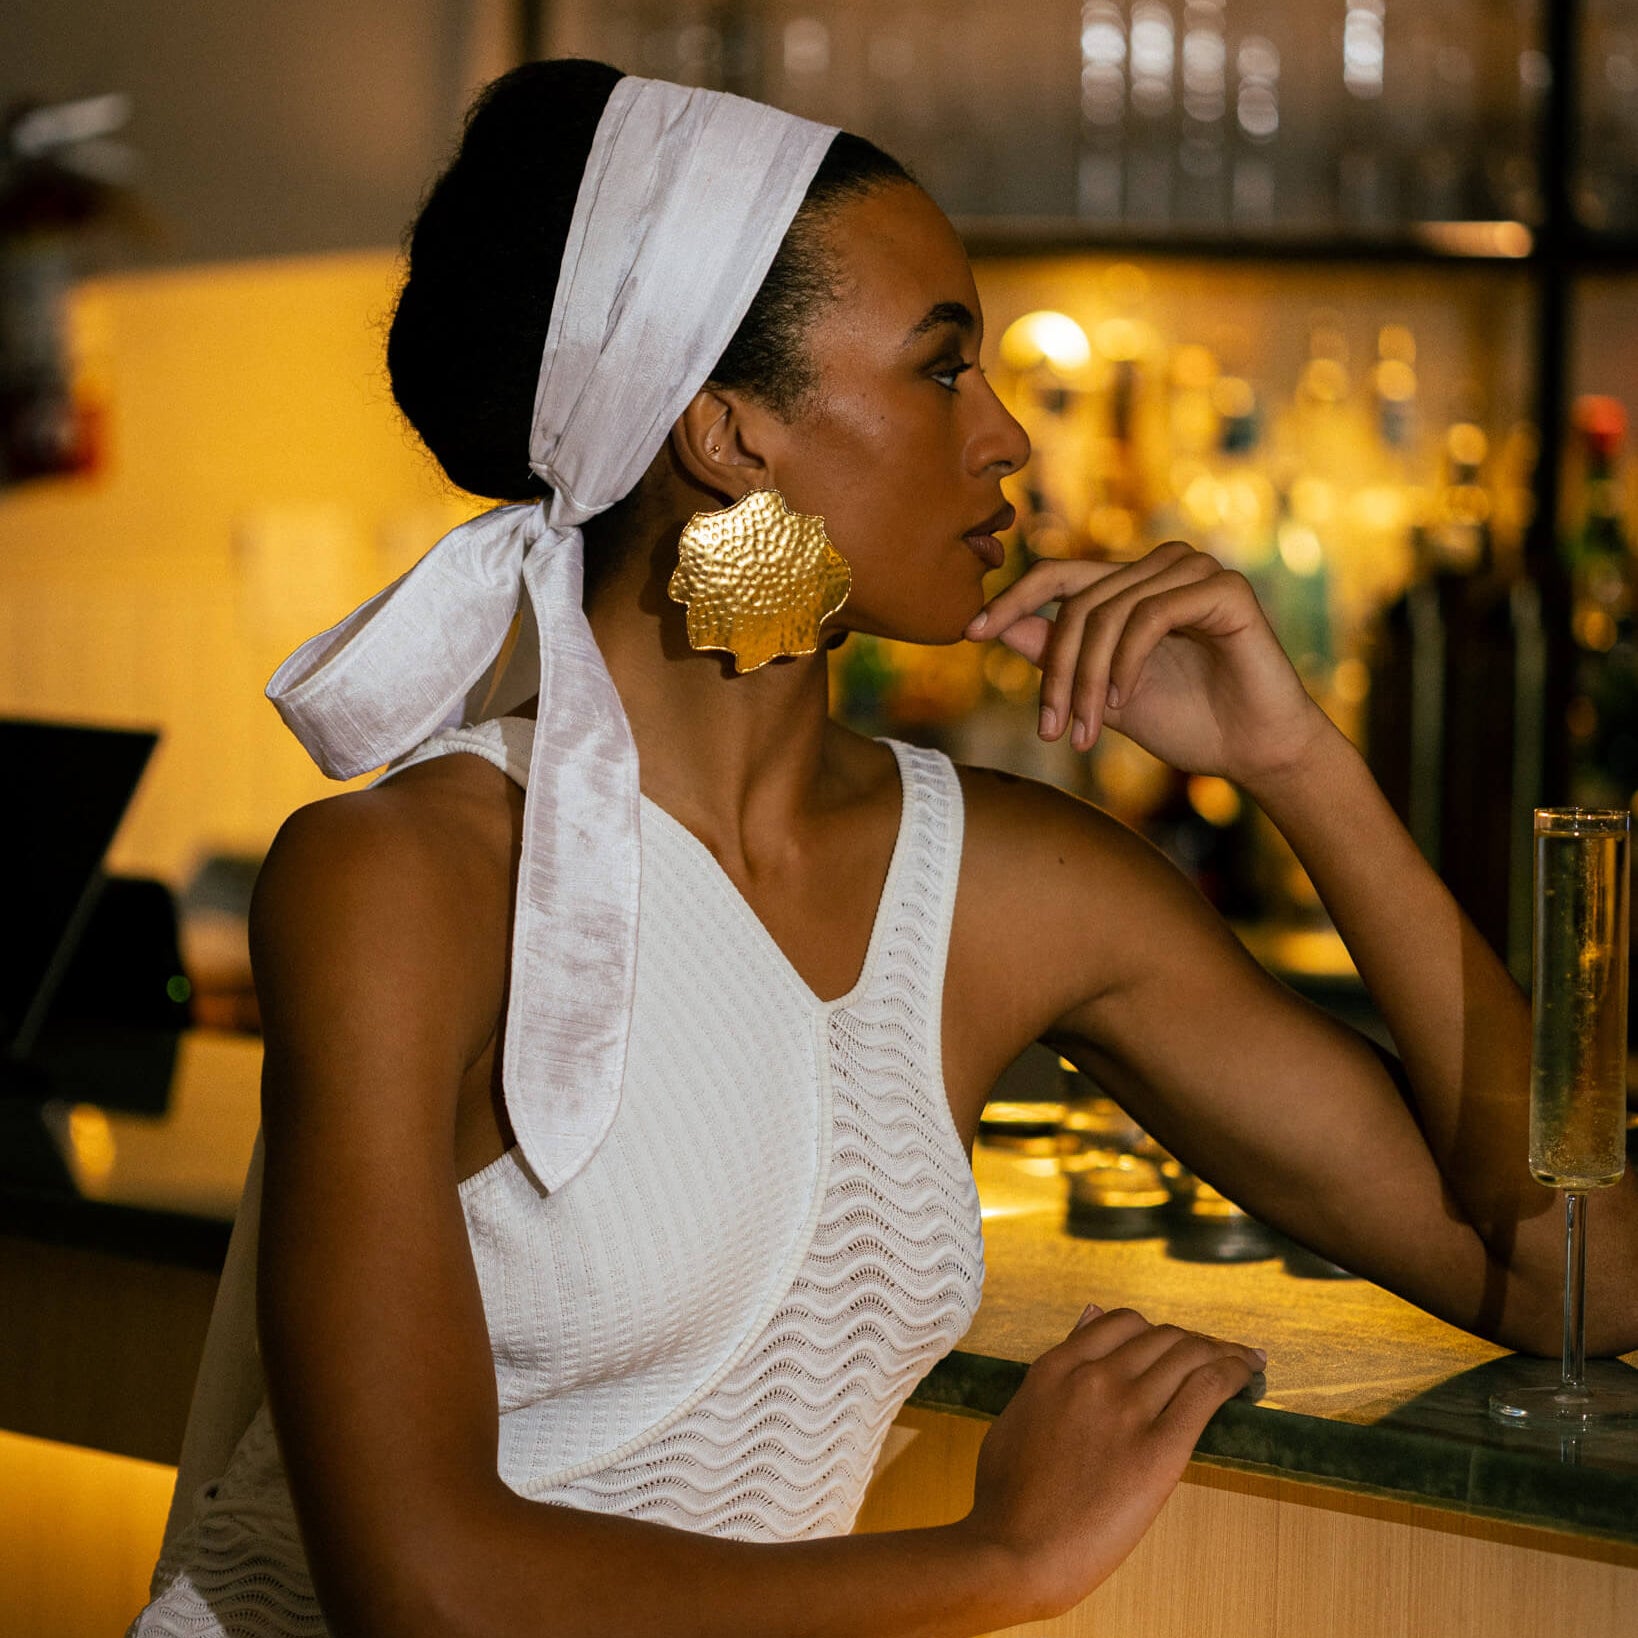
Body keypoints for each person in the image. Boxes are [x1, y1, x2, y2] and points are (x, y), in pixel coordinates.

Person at [132, 58, 1638, 1638]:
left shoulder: (1011, 887)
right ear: (728, 437)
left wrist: (1299, 765)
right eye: (942, 370)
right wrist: (998, 1563)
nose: (1006, 442)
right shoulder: (409, 880)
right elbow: (421, 1588)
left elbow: (1576, 1281)